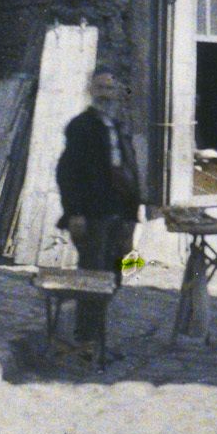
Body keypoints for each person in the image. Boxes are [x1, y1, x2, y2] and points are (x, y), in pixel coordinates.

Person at [56, 70, 141, 350]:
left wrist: (133, 212)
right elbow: (67, 173)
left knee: (122, 269)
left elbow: (129, 169)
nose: (106, 93)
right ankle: (87, 337)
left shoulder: (118, 126)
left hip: (120, 211)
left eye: (111, 87)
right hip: (92, 213)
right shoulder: (81, 126)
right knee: (93, 273)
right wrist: (75, 212)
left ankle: (96, 332)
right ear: (91, 90)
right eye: (101, 87)